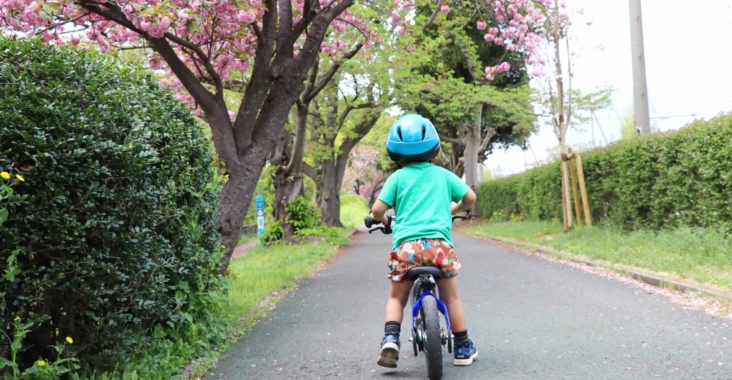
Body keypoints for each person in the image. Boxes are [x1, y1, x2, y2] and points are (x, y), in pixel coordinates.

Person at [369, 114, 478, 369]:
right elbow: (470, 197)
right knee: (451, 298)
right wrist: (452, 209)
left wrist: (384, 220)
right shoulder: (443, 174)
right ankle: (462, 347)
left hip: (406, 250)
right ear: (434, 144)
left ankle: (391, 339)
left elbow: (376, 210)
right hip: (439, 249)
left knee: (397, 298)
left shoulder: (396, 179)